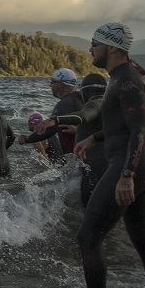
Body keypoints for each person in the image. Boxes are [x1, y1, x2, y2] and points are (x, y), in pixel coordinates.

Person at [71, 23, 145, 288]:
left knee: (88, 238)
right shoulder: (126, 77)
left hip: (129, 165)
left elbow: (139, 130)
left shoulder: (126, 81)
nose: (90, 49)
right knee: (142, 240)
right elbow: (124, 126)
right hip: (143, 164)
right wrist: (95, 138)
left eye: (95, 43)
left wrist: (127, 174)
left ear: (112, 47)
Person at [38, 73, 108, 206]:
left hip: (95, 167)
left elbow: (84, 115)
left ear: (86, 90)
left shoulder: (94, 103)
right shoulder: (111, 104)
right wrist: (79, 131)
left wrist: (56, 120)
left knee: (90, 213)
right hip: (111, 164)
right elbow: (112, 130)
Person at [17, 68, 83, 163]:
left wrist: (26, 139)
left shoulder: (65, 104)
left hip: (78, 157)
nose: (50, 85)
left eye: (52, 82)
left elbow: (49, 130)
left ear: (60, 85)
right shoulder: (81, 98)